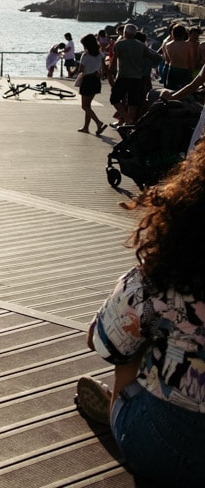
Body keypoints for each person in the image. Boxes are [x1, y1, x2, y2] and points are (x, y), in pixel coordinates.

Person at [77, 146, 205, 485]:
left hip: (164, 448)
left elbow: (101, 341)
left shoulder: (166, 275)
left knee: (134, 341)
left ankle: (118, 406)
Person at [109, 23, 163, 125]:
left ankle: (127, 119)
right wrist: (147, 66)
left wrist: (110, 75)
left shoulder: (119, 44)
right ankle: (130, 122)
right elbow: (154, 57)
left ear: (125, 32)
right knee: (133, 102)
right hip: (137, 78)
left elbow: (113, 61)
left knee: (115, 99)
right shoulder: (141, 45)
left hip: (123, 76)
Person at [76, 33, 108, 135]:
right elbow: (103, 68)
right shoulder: (100, 54)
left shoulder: (85, 55)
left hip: (87, 80)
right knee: (88, 105)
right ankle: (86, 127)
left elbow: (81, 70)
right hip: (96, 80)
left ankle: (98, 123)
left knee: (85, 106)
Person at [159, 22, 195, 90]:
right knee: (183, 93)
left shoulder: (168, 45)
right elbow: (191, 60)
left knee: (170, 91)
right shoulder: (188, 45)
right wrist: (192, 73)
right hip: (184, 71)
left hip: (171, 70)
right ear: (184, 34)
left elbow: (167, 60)